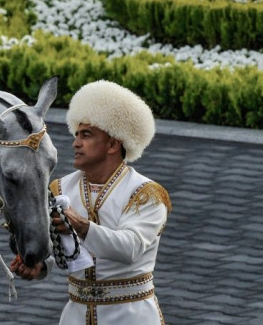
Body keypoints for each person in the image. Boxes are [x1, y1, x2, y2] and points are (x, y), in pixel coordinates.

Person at [10, 80, 172, 325]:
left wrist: (83, 227)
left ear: (113, 144)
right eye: (77, 134)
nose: (76, 143)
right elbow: (61, 251)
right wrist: (40, 267)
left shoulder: (146, 193)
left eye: (86, 135)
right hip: (75, 315)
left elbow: (130, 248)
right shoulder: (60, 188)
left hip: (131, 316)